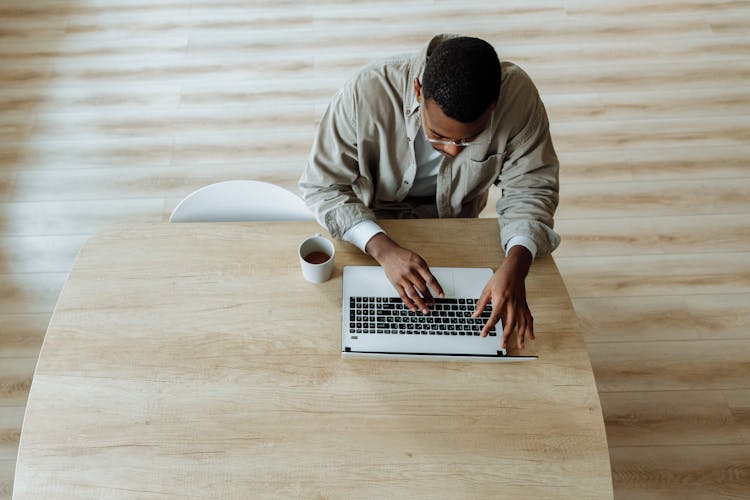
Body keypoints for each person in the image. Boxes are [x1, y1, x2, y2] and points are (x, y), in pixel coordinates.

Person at [299, 34, 559, 351]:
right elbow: (322, 185)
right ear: (418, 91)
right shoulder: (365, 91)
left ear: (492, 108)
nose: (451, 150)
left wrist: (517, 266)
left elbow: (532, 187)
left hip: (458, 224)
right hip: (373, 223)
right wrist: (383, 249)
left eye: (468, 140)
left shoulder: (518, 98)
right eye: (437, 134)